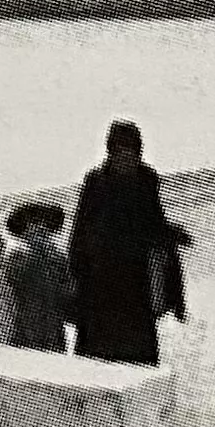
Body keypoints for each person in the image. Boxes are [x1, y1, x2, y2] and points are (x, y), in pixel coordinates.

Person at [66, 120, 193, 366]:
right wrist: (75, 281)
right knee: (100, 356)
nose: (129, 159)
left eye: (133, 152)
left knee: (139, 354)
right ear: (111, 153)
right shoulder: (97, 183)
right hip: (101, 282)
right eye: (122, 152)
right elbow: (81, 234)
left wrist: (172, 235)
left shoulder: (145, 180)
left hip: (135, 281)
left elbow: (153, 221)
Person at [2, 201, 74, 352]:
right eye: (33, 223)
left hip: (53, 325)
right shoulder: (17, 257)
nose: (40, 227)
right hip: (26, 324)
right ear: (23, 229)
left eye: (44, 223)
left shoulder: (59, 258)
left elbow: (69, 290)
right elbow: (9, 292)